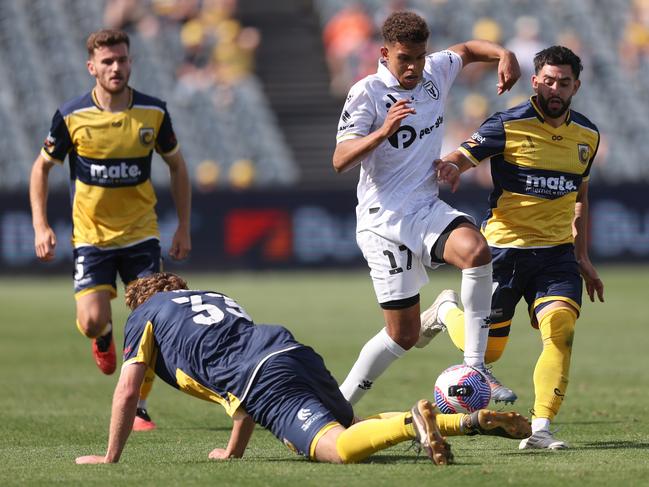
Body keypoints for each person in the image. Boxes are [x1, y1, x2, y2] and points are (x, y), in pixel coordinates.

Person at [75, 272, 531, 465]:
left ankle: (416, 424)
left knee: (339, 449)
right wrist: (233, 452)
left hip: (263, 378)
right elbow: (240, 392)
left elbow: (127, 391)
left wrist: (111, 457)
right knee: (352, 424)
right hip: (290, 351)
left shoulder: (144, 315)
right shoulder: (214, 298)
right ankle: (465, 421)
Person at [332, 11, 520, 406]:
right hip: (382, 221)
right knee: (402, 335)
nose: (414, 67)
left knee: (476, 251)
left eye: (419, 56)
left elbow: (467, 50)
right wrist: (383, 131)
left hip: (424, 207)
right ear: (385, 53)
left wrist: (503, 53)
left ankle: (475, 366)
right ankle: (338, 406)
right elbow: (340, 159)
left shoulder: (435, 70)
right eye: (405, 59)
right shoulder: (366, 93)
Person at [428, 45, 605, 449]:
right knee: (488, 354)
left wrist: (582, 256)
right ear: (535, 81)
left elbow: (580, 194)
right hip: (505, 251)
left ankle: (541, 428)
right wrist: (452, 165)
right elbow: (464, 154)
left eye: (564, 82)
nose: (555, 88)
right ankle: (445, 310)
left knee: (560, 330)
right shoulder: (507, 124)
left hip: (557, 255)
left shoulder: (587, 135)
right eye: (548, 80)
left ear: (576, 85)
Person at [29, 29, 192, 431]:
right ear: (92, 67)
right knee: (90, 320)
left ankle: (137, 406)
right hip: (92, 237)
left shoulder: (153, 113)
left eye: (121, 59)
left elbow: (177, 166)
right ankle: (102, 338)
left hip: (141, 235)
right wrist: (40, 225)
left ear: (131, 62)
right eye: (107, 61)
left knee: (153, 322)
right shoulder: (71, 116)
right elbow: (42, 167)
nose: (116, 67)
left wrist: (184, 226)